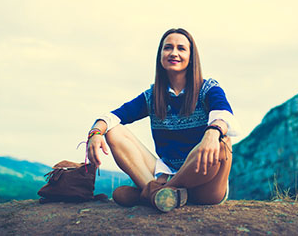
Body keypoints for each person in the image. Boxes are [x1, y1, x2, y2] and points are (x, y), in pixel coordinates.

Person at [86, 28, 239, 212]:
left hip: (204, 183)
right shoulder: (153, 96)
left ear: (191, 57)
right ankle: (165, 195)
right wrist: (95, 133)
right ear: (160, 56)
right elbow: (114, 117)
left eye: (181, 48)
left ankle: (153, 193)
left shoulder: (208, 88)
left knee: (222, 142)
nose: (174, 53)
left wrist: (212, 133)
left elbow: (224, 113)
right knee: (113, 130)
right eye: (168, 48)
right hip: (165, 172)